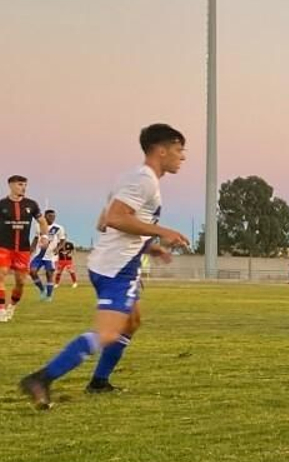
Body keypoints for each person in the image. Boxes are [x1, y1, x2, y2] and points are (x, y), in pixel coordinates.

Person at [20, 124, 190, 408]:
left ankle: (99, 382)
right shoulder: (143, 180)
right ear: (161, 150)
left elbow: (103, 223)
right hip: (116, 269)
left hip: (117, 263)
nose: (182, 157)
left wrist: (150, 245)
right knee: (109, 332)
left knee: (132, 322)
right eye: (178, 149)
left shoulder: (133, 177)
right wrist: (162, 231)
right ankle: (42, 378)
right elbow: (114, 218)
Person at [2, 175, 44, 323]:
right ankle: (1, 309)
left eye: (25, 185)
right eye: (20, 184)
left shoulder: (31, 204)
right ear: (11, 185)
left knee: (20, 282)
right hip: (4, 247)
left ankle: (11, 306)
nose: (23, 187)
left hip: (23, 250)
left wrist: (44, 236)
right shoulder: (2, 204)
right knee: (1, 275)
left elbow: (42, 221)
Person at [30, 210, 66, 301]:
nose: (52, 218)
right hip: (39, 254)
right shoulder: (39, 226)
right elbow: (36, 238)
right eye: (50, 216)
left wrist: (58, 249)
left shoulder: (58, 228)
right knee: (32, 272)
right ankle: (42, 290)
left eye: (53, 216)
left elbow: (63, 240)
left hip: (50, 256)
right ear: (45, 216)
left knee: (49, 274)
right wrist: (32, 248)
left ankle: (49, 296)